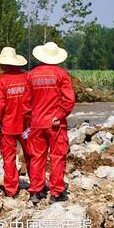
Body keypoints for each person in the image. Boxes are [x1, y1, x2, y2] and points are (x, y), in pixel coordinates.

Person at [26, 42, 75, 204]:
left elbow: (26, 104)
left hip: (37, 123)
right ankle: (56, 192)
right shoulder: (61, 74)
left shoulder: (31, 75)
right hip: (56, 124)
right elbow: (69, 100)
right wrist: (60, 115)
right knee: (57, 157)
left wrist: (29, 122)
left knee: (37, 157)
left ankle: (36, 191)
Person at [0, 47, 32, 198]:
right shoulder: (26, 78)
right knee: (30, 155)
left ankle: (11, 190)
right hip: (27, 125)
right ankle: (36, 185)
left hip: (8, 125)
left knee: (9, 157)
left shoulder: (2, 80)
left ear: (4, 64)